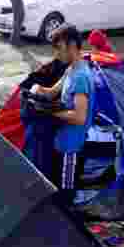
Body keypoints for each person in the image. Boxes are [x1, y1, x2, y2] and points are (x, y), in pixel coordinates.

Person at [31, 25, 95, 206]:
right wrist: (37, 90)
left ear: (72, 45)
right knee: (57, 190)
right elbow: (51, 92)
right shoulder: (70, 70)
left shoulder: (81, 77)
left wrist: (50, 110)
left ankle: (69, 229)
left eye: (59, 49)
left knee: (66, 197)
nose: (56, 55)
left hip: (71, 148)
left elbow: (79, 117)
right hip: (62, 142)